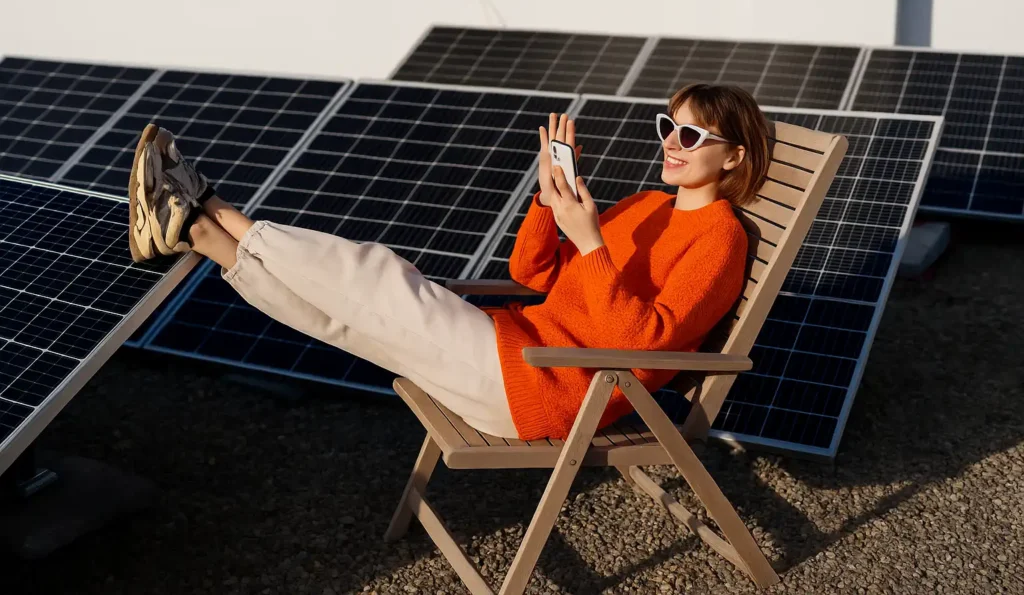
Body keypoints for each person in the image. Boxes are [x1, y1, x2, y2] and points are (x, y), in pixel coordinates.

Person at [127, 83, 770, 441]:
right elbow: (532, 275)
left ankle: (210, 201)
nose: (672, 144)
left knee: (377, 277)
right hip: (517, 350)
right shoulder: (641, 204)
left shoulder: (721, 239)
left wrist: (594, 243)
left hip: (546, 386)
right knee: (348, 320)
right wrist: (548, 204)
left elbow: (648, 341)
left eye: (692, 135)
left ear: (735, 158)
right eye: (668, 126)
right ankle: (195, 230)